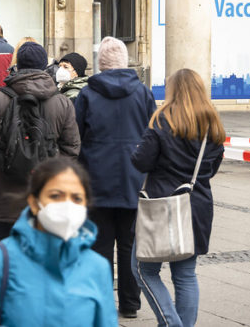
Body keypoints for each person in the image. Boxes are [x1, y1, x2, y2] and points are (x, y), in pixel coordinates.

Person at [0, 157, 117, 326]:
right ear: (34, 202)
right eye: (55, 196)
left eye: (77, 198)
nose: (67, 205)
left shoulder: (97, 267)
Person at [131, 68, 225, 327]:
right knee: (185, 274)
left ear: (173, 91)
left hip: (161, 205)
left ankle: (172, 323)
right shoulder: (212, 123)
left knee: (143, 269)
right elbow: (213, 167)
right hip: (196, 204)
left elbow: (141, 161)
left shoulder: (162, 120)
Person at [74, 36, 155, 319]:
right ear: (124, 61)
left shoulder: (87, 94)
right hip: (134, 179)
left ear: (101, 64)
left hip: (97, 180)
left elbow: (77, 138)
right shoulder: (143, 93)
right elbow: (152, 135)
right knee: (131, 246)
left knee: (100, 247)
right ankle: (131, 304)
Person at [0, 41, 81, 245]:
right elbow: (72, 148)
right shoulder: (61, 102)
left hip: (1, 198)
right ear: (44, 67)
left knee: (0, 266)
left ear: (18, 65)